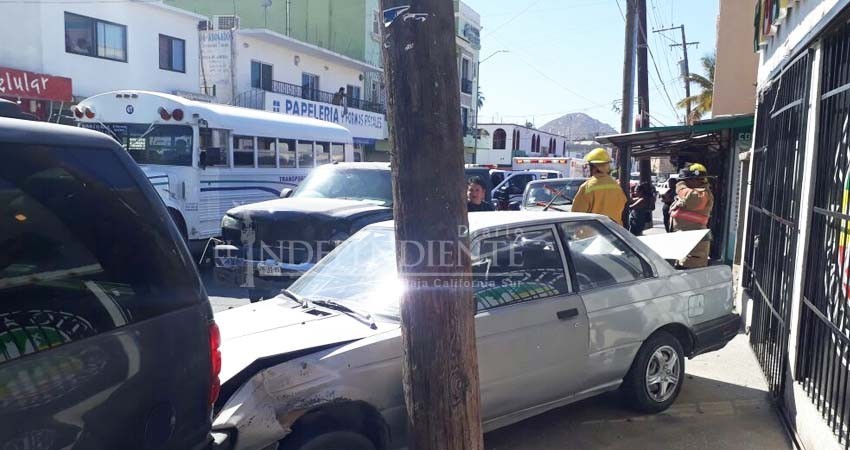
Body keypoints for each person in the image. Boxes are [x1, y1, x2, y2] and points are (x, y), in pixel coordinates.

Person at [671, 163, 714, 268]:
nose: (684, 183)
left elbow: (691, 199)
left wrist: (680, 187)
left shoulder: (702, 194)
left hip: (695, 246)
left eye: (686, 181)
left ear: (695, 180)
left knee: (692, 277)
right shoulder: (695, 192)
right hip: (687, 241)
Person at [571, 148, 628, 226]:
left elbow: (576, 215)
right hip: (615, 232)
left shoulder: (587, 187)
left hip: (594, 234)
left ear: (593, 167)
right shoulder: (616, 186)